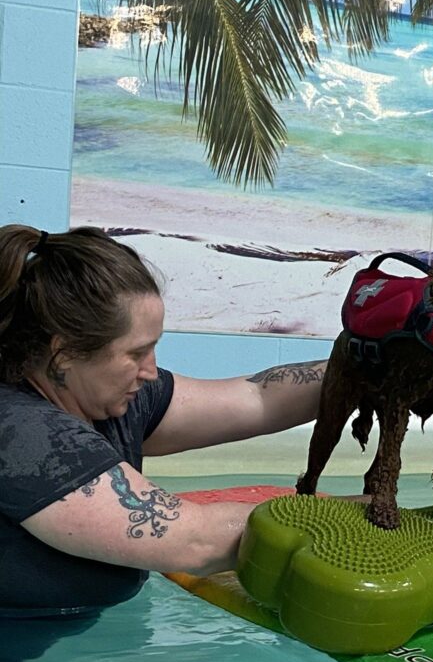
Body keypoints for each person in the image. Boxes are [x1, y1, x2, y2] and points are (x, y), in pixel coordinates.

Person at [0, 224, 336, 618]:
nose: (150, 370)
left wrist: (368, 368)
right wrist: (365, 516)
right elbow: (196, 542)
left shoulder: (106, 402)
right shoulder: (21, 434)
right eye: (137, 352)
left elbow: (258, 398)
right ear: (65, 353)